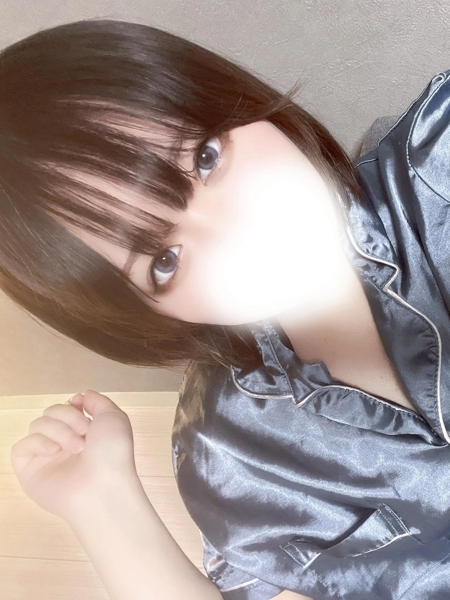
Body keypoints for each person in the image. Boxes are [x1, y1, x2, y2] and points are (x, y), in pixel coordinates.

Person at [5, 18, 450, 600]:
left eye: (206, 158)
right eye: (164, 260)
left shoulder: (439, 166)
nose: (237, 229)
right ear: (142, 316)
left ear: (231, 100)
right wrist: (101, 504)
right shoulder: (233, 457)